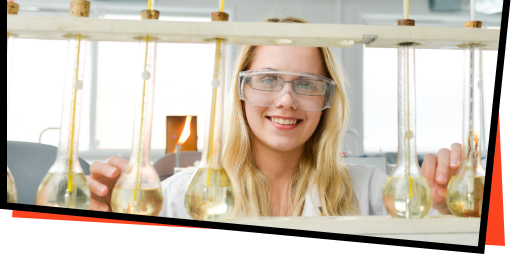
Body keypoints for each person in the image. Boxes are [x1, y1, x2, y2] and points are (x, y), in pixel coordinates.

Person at [87, 17, 462, 217]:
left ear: (328, 99)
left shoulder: (369, 191)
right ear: (240, 89)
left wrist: (446, 213)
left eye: (307, 84)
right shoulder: (179, 196)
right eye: (267, 79)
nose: (286, 100)